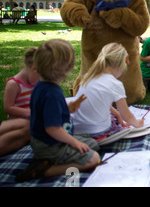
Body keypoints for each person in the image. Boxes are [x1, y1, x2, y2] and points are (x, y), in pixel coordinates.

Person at [16, 39, 99, 182]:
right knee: (94, 159)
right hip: (50, 145)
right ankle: (46, 171)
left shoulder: (43, 86)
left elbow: (47, 114)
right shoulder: (51, 93)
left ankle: (47, 162)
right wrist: (74, 142)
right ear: (68, 68)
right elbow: (52, 129)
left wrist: (68, 109)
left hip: (47, 140)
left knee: (93, 144)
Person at [72, 43, 144, 138]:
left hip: (76, 127)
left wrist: (117, 114)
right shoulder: (115, 84)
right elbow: (126, 116)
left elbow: (98, 101)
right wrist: (137, 124)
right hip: (97, 131)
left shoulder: (88, 77)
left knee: (112, 116)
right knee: (117, 126)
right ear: (122, 63)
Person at [3, 47, 40, 119]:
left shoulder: (36, 82)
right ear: (34, 69)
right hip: (17, 122)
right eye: (42, 76)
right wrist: (31, 112)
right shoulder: (13, 84)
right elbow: (8, 108)